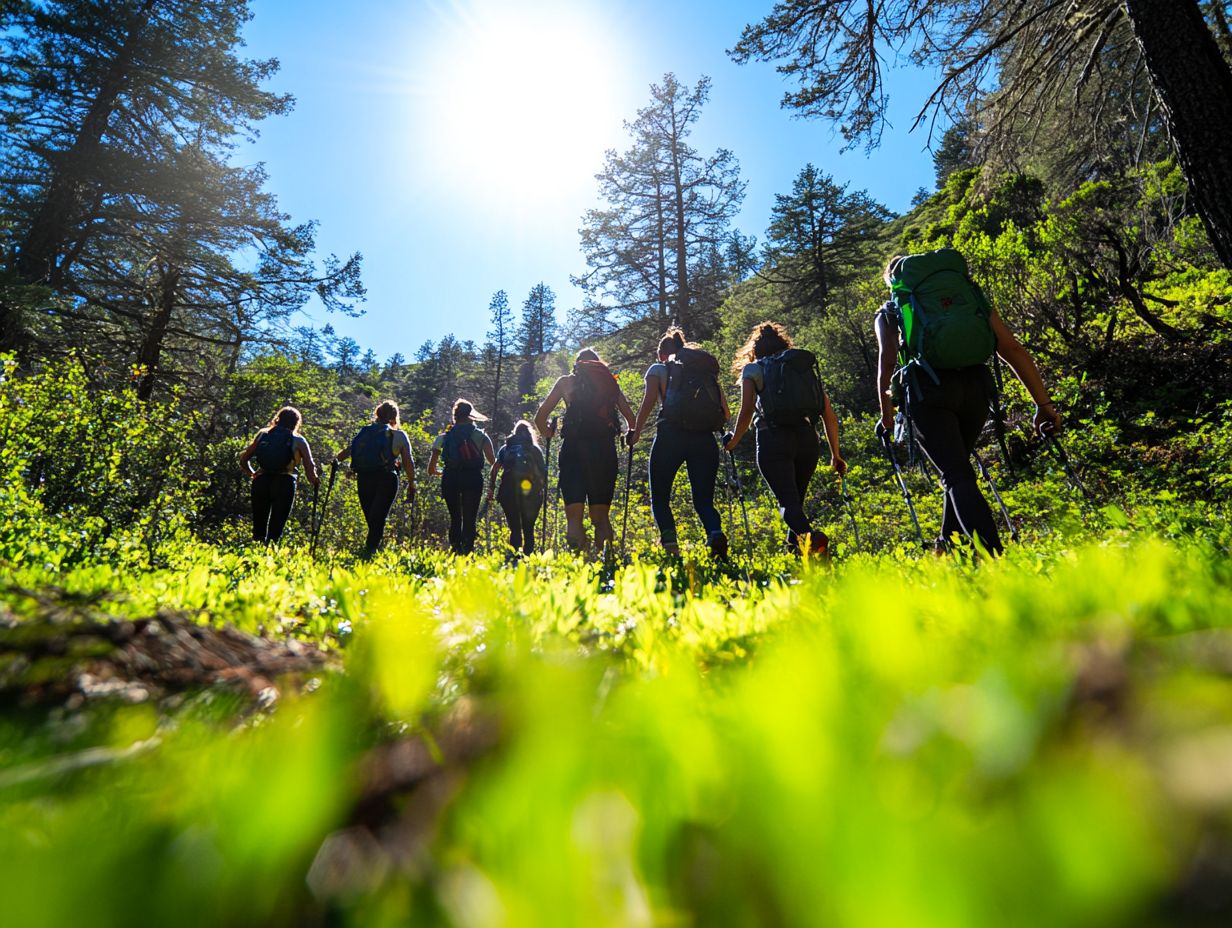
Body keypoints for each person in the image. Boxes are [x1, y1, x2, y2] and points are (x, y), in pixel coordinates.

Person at [876, 251, 1061, 556]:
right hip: (976, 387)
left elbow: (887, 362)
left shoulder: (891, 311)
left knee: (956, 474)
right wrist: (1042, 403)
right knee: (958, 469)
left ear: (894, 282)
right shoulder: (968, 296)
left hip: (929, 392)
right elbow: (1011, 347)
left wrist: (886, 415)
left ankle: (994, 559)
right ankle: (946, 549)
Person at [725, 322, 846, 555]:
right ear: (784, 344)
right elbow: (828, 414)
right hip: (807, 438)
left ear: (755, 350)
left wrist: (733, 440)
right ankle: (796, 553)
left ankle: (813, 540)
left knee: (787, 503)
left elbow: (747, 411)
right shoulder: (799, 368)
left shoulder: (753, 369)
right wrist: (835, 454)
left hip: (773, 438)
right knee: (796, 503)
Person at [629, 327, 730, 558]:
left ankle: (671, 547)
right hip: (704, 439)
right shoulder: (706, 374)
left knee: (661, 497)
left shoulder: (659, 369)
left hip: (670, 436)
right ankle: (714, 533)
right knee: (704, 500)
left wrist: (635, 431)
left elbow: (648, 403)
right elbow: (725, 412)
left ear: (663, 354)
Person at [534, 348, 636, 556]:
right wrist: (628, 438)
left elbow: (540, 416)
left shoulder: (566, 382)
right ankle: (607, 564)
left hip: (573, 451)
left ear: (578, 364)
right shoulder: (609, 384)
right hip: (604, 452)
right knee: (600, 517)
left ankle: (579, 564)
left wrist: (548, 433)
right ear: (598, 365)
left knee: (574, 517)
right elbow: (631, 421)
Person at [334, 400, 416, 558]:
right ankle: (370, 552)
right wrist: (411, 482)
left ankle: (370, 551)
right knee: (378, 517)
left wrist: (334, 462)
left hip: (364, 477)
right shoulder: (398, 435)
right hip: (387, 478)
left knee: (372, 517)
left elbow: (350, 450)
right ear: (394, 416)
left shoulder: (365, 433)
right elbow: (408, 462)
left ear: (377, 414)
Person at [239, 406, 319, 544]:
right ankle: (270, 552)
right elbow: (309, 468)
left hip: (261, 480)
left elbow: (243, 460)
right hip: (285, 482)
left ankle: (255, 551)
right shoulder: (299, 440)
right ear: (296, 422)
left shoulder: (263, 435)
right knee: (277, 523)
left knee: (259, 522)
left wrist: (252, 474)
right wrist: (315, 481)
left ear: (278, 419)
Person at [428, 399, 496, 554]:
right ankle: (467, 552)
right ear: (471, 415)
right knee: (470, 519)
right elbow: (493, 462)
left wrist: (442, 472)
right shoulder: (481, 436)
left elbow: (431, 469)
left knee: (455, 518)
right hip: (472, 478)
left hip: (450, 478)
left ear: (455, 416)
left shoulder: (443, 438)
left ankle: (455, 551)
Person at [486, 419, 547, 556]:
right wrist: (541, 488)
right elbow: (543, 472)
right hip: (531, 493)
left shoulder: (506, 448)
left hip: (508, 491)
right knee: (528, 527)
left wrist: (491, 487)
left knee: (514, 527)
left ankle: (514, 558)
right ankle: (528, 557)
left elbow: (495, 468)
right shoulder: (534, 449)